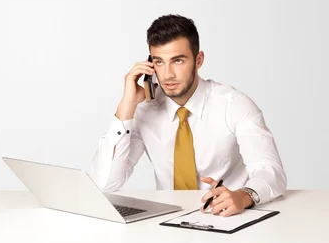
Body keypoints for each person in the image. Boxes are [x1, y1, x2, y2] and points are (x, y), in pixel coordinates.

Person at [89, 14, 287, 217]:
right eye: (159, 62)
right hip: (167, 222)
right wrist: (126, 105)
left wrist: (245, 196)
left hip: (227, 218)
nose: (167, 74)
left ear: (198, 60)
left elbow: (271, 172)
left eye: (178, 61)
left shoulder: (234, 105)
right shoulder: (144, 110)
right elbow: (104, 184)